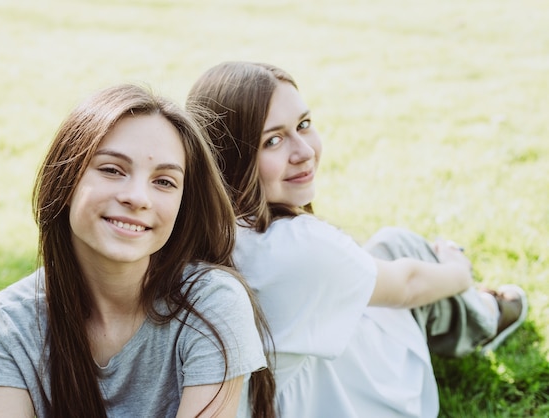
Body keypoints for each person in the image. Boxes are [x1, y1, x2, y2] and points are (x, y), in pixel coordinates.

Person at [186, 61, 528, 417]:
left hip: (290, 387)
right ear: (230, 154)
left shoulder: (196, 229)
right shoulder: (292, 245)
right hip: (344, 403)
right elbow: (407, 285)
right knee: (398, 246)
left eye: (304, 125)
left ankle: (476, 307)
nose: (304, 151)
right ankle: (486, 314)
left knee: (378, 258)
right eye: (272, 140)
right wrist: (459, 268)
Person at [0, 83, 276, 418]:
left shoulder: (212, 304)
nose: (137, 197)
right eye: (111, 170)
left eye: (164, 181)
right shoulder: (14, 319)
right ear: (64, 181)